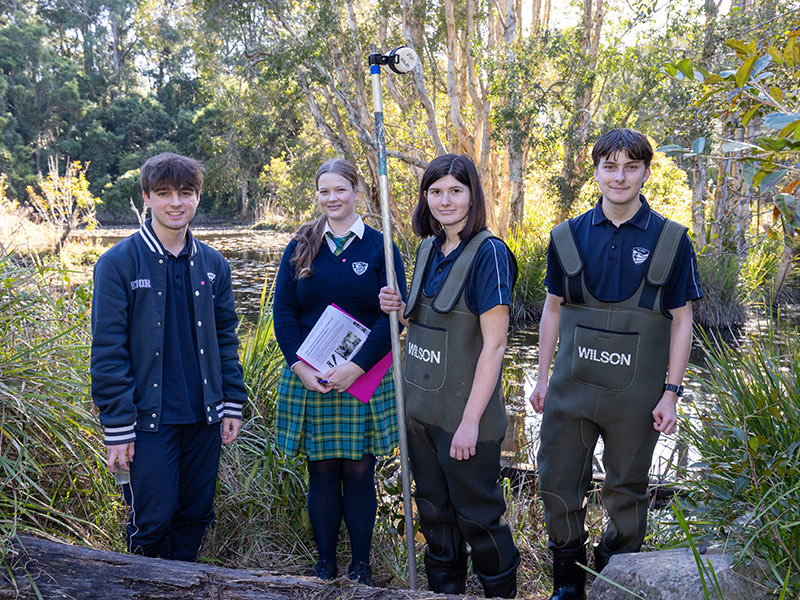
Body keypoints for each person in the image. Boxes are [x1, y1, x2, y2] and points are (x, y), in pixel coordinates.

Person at [529, 128, 703, 600]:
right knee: (558, 482)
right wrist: (541, 378)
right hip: (571, 391)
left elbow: (683, 321)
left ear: (646, 171)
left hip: (637, 399)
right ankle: (567, 581)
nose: (620, 176)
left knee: (627, 490)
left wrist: (672, 392)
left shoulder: (671, 240)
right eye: (610, 166)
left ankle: (613, 570)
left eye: (631, 166)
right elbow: (551, 311)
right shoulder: (567, 236)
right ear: (597, 171)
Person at [90, 152, 247, 561]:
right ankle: (143, 583)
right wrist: (118, 424)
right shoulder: (117, 264)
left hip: (204, 416)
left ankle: (183, 583)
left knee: (196, 514)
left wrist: (232, 402)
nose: (175, 202)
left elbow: (226, 338)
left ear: (197, 198)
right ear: (146, 197)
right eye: (164, 193)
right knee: (153, 519)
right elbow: (108, 351)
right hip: (147, 419)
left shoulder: (213, 264)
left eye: (186, 192)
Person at [379, 154, 520, 598]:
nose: (445, 200)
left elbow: (494, 345)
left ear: (472, 195)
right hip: (421, 413)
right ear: (425, 198)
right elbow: (424, 326)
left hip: (464, 419)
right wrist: (399, 311)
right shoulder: (427, 248)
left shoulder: (490, 254)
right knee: (435, 513)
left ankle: (500, 591)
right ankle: (444, 591)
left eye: (456, 190)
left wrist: (471, 423)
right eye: (435, 191)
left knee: (478, 516)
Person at [272, 158, 406, 585]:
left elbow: (393, 317)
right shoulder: (301, 245)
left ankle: (361, 565)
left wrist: (356, 366)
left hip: (362, 375)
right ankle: (326, 563)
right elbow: (284, 311)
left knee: (360, 471)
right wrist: (298, 366)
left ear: (358, 191)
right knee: (322, 470)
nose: (332, 198)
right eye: (324, 191)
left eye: (340, 190)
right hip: (312, 376)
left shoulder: (380, 247)